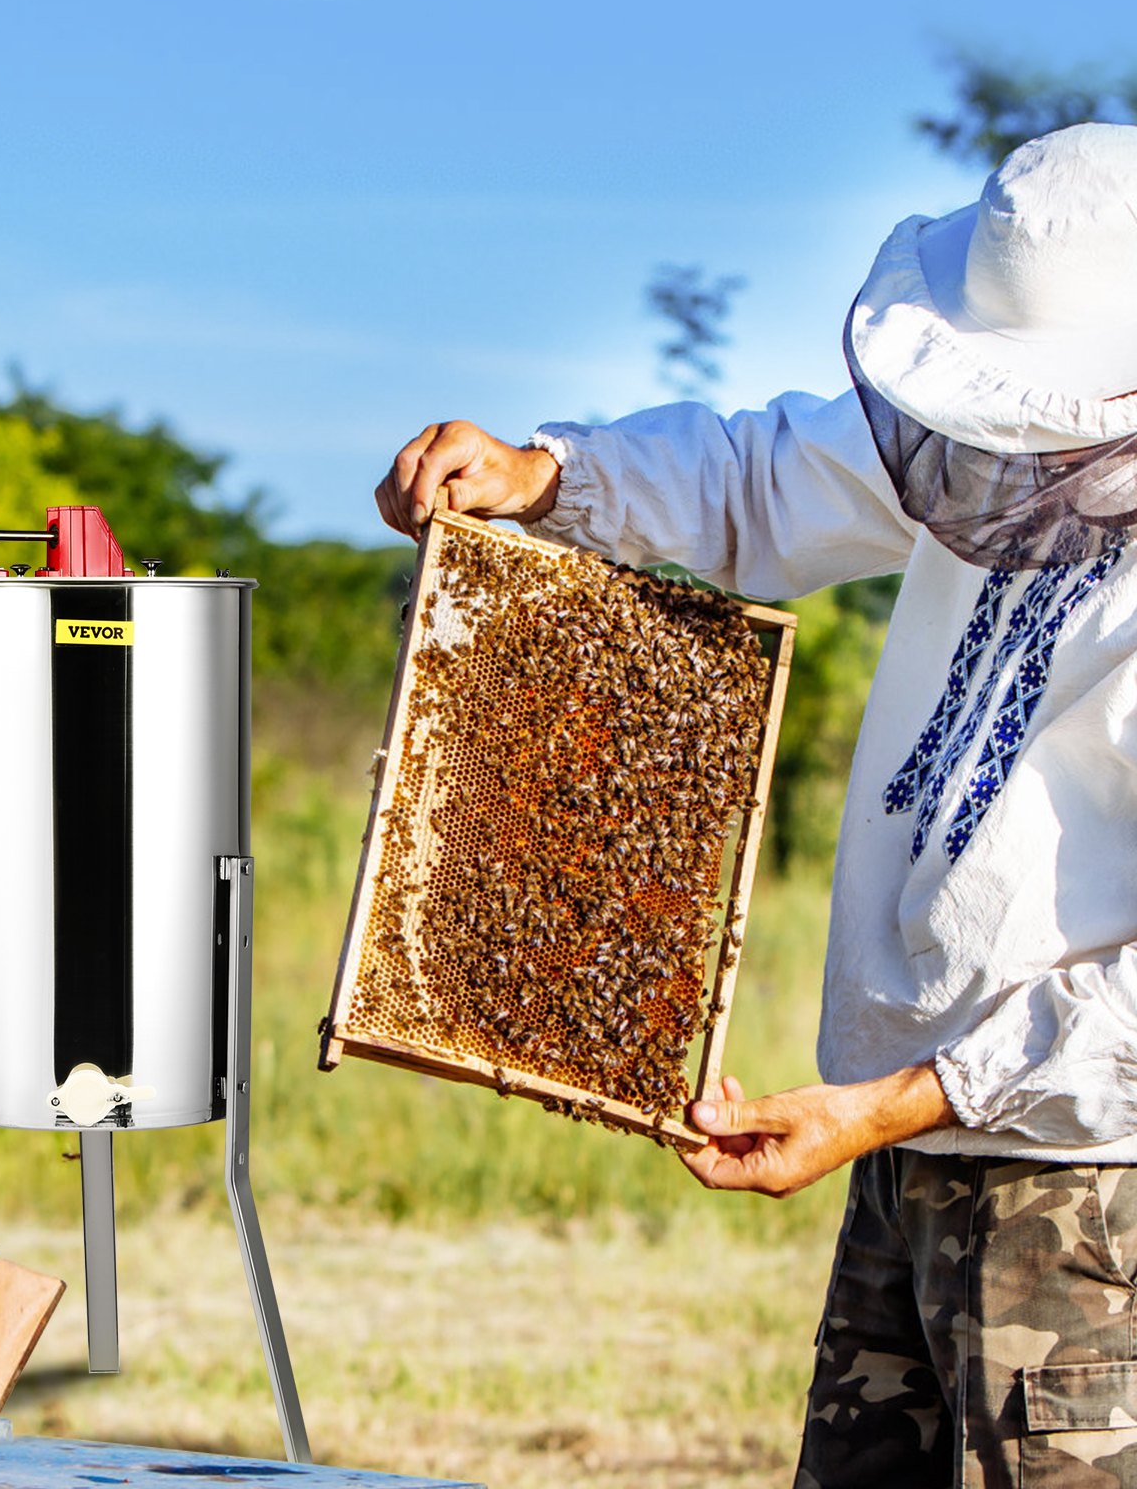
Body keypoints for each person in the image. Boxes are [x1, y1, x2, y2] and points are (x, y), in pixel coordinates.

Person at [376, 122, 1137, 1487]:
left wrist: (899, 1100)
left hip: (1093, 1195)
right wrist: (551, 477)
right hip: (913, 1148)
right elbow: (770, 472)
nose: (983, 461)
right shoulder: (1002, 454)